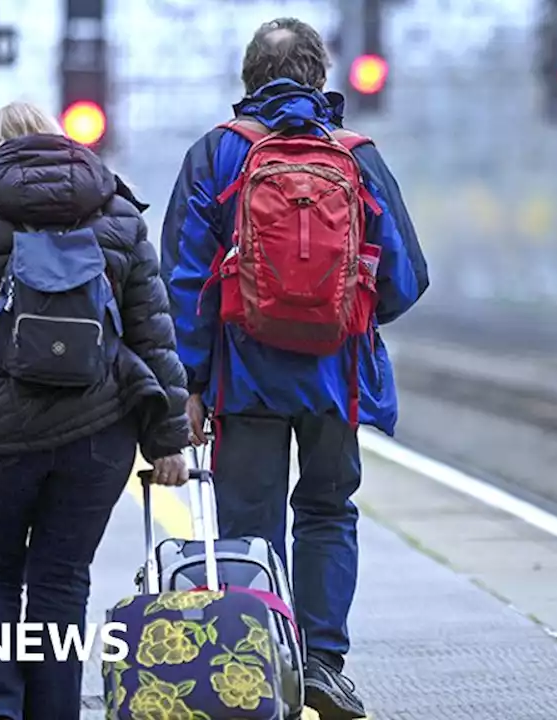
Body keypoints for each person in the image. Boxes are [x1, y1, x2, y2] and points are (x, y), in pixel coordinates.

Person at [161, 18, 429, 720]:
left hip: (243, 381)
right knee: (327, 512)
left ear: (249, 78)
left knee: (247, 524)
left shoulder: (216, 155)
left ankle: (252, 665)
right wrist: (346, 316)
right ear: (320, 76)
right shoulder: (357, 156)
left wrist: (187, 385)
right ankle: (320, 666)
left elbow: (184, 283)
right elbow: (407, 277)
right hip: (335, 381)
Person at [0, 101, 191, 720]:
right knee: (62, 579)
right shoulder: (120, 213)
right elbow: (153, 334)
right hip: (98, 430)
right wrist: (168, 440)